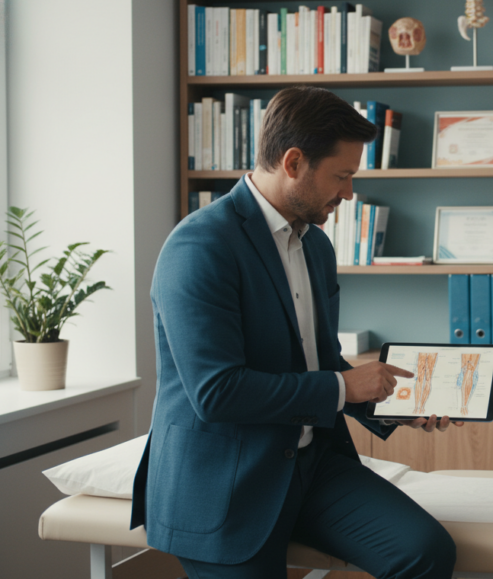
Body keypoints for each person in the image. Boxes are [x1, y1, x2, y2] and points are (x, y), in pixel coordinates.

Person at [131, 86, 461, 579]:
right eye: (342, 176)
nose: (349, 193)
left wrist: (394, 403)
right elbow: (216, 393)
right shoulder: (199, 246)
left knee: (425, 552)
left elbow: (323, 364)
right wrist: (345, 386)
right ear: (293, 162)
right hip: (225, 483)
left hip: (309, 466)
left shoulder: (316, 248)